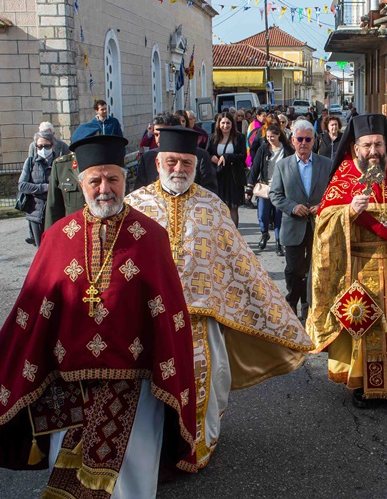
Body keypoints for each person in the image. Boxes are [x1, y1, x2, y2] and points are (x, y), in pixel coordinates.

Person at [0, 135, 198, 497]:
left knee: (131, 476)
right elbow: (31, 315)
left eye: (113, 179)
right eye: (95, 180)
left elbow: (172, 319)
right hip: (68, 386)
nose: (105, 189)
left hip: (136, 384)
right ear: (81, 182)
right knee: (69, 470)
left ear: (125, 180)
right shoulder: (56, 238)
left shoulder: (151, 237)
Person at [125, 126, 312, 469]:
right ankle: (155, 448)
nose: (178, 169)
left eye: (185, 162)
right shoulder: (134, 206)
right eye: (171, 161)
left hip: (201, 319)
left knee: (205, 384)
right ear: (158, 161)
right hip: (150, 318)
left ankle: (195, 447)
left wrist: (277, 316)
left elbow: (241, 263)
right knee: (150, 388)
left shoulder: (212, 206)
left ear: (195, 164)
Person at [306, 114, 387, 411]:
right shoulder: (342, 177)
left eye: (378, 144)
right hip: (359, 264)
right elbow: (324, 227)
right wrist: (349, 213)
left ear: (385, 144)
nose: (373, 151)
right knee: (365, 328)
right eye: (367, 145)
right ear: (355, 147)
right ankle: (367, 387)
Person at [269, 119, 332, 321]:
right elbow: (275, 195)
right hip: (293, 226)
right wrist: (293, 207)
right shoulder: (282, 166)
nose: (303, 143)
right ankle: (291, 301)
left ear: (314, 140)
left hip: (318, 226)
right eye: (299, 139)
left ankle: (308, 307)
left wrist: (322, 206)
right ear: (292, 140)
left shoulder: (326, 164)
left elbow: (334, 194)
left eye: (308, 139)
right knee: (294, 270)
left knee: (315, 268)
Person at [135, 112, 218, 194]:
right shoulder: (147, 158)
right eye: (156, 135)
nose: (159, 139)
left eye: (164, 135)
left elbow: (210, 192)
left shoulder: (200, 156)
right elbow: (139, 193)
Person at [248, 124, 292, 255]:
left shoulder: (287, 150)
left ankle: (279, 242)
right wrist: (249, 188)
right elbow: (255, 167)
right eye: (267, 137)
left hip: (281, 188)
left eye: (272, 136)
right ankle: (264, 234)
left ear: (278, 135)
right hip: (265, 187)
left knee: (279, 216)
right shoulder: (263, 149)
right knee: (262, 214)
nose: (270, 139)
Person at [18, 132, 58, 247]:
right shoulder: (31, 162)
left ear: (52, 146)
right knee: (41, 249)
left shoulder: (59, 162)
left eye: (47, 146)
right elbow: (22, 185)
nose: (43, 149)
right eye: (40, 146)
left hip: (55, 211)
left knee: (55, 247)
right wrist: (45, 187)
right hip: (36, 212)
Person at [207, 112, 247, 226]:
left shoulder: (239, 137)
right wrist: (212, 157)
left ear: (232, 124)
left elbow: (243, 155)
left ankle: (235, 236)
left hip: (233, 176)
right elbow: (207, 153)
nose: (225, 126)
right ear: (218, 124)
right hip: (218, 176)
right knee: (219, 206)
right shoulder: (213, 137)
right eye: (223, 123)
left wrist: (227, 157)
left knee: (233, 207)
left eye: (228, 123)